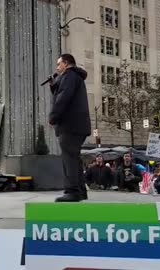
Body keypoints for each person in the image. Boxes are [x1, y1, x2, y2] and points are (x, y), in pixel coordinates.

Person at [48, 54, 91, 202]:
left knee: (69, 159)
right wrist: (54, 86)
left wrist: (53, 117)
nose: (57, 67)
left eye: (59, 64)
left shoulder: (69, 76)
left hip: (70, 125)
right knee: (74, 157)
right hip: (78, 125)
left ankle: (72, 191)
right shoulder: (74, 77)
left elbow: (63, 98)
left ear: (66, 63)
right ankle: (80, 191)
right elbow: (64, 94)